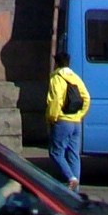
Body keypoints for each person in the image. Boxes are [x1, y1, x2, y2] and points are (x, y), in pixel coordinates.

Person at [45, 51, 90, 187]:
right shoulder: (75, 77)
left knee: (55, 152)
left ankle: (71, 178)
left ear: (56, 63)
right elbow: (86, 98)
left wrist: (52, 118)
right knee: (73, 156)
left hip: (62, 121)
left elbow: (56, 100)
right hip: (76, 122)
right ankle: (75, 192)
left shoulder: (56, 78)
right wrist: (80, 114)